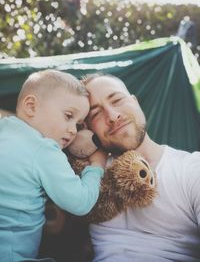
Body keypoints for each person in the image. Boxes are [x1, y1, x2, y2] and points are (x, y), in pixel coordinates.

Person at [82, 73, 200, 262]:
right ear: (88, 129)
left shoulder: (191, 169)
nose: (112, 116)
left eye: (117, 100)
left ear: (135, 102)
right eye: (96, 114)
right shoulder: (89, 179)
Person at [0, 70, 106, 262]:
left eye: (79, 124)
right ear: (31, 106)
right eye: (68, 116)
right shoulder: (44, 149)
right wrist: (97, 165)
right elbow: (80, 202)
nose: (73, 130)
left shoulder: (4, 127)